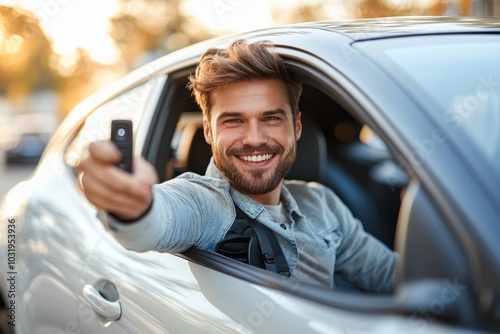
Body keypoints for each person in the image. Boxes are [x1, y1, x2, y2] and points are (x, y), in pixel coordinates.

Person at [77, 39, 398, 292]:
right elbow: (160, 220)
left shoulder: (323, 205)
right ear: (208, 130)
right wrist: (133, 207)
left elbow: (389, 276)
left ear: (296, 127)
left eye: (271, 118)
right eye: (234, 121)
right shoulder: (206, 204)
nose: (254, 139)